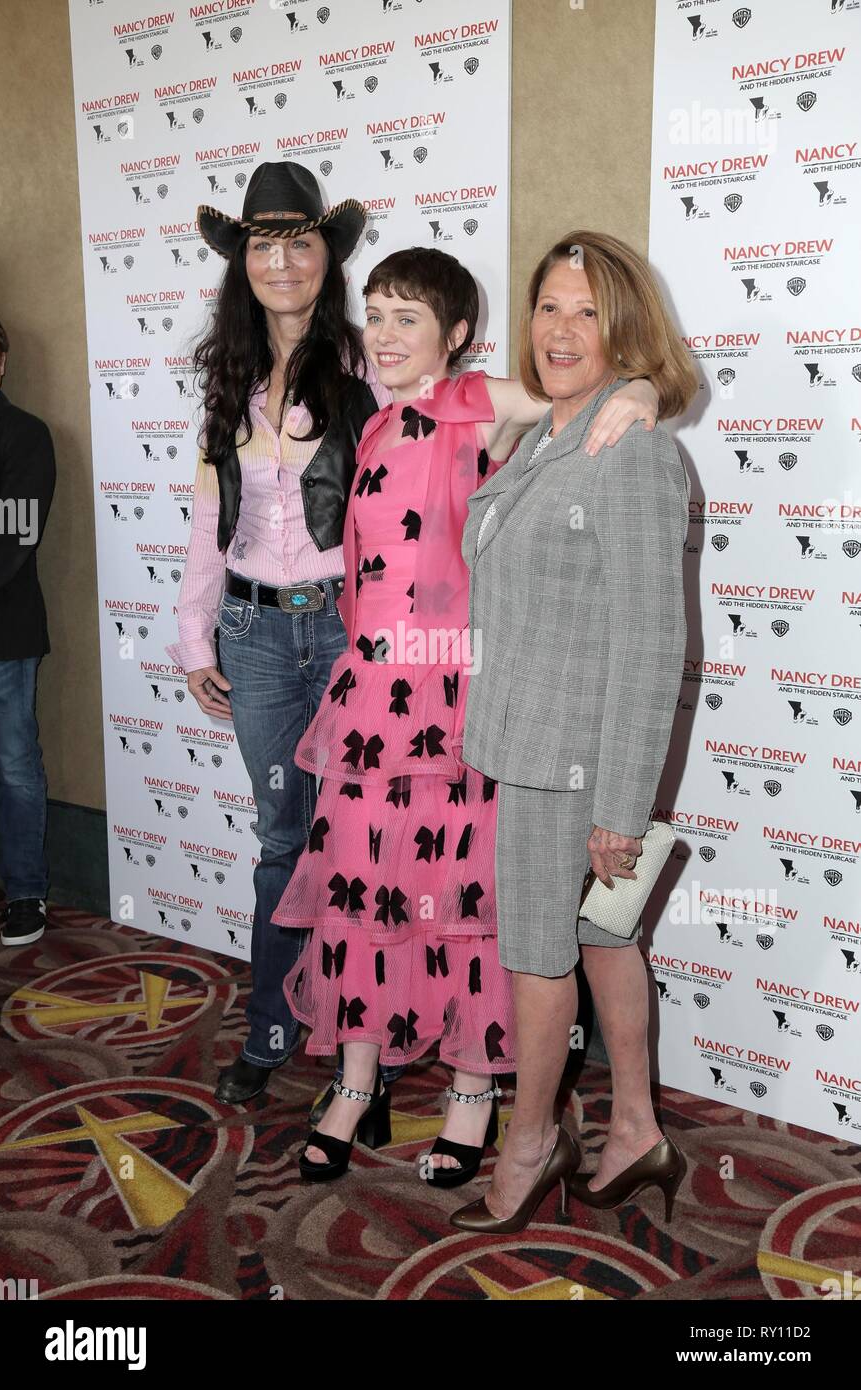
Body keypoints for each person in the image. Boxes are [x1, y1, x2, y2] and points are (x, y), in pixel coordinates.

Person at [269, 247, 661, 1184]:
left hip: (453, 701)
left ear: (456, 334)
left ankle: (475, 1095)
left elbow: (599, 379)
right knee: (361, 891)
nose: (387, 333)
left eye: (409, 316)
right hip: (370, 700)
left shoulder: (475, 402)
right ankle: (357, 1084)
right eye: (376, 313)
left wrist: (641, 392)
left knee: (466, 907)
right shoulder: (371, 426)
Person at [451, 231, 698, 1232]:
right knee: (603, 936)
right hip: (535, 738)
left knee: (540, 955)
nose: (559, 329)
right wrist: (634, 386)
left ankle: (528, 1143)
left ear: (624, 326)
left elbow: (649, 642)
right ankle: (634, 1127)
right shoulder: (558, 425)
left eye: (587, 311)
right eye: (548, 305)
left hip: (569, 759)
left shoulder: (627, 447)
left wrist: (618, 809)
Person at [167, 161, 405, 1109]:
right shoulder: (225, 372)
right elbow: (206, 516)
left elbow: (408, 493)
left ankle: (366, 1053)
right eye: (263, 244)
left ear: (326, 256)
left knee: (360, 839)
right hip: (255, 637)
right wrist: (195, 637)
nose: (281, 260)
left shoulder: (365, 363)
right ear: (243, 263)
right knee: (279, 840)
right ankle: (273, 1024)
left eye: (299, 241)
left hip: (347, 634)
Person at [0, 315, 56, 947]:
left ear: (2, 361)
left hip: (4, 637)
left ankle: (25, 892)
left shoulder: (23, 434)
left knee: (14, 765)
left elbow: (12, 535)